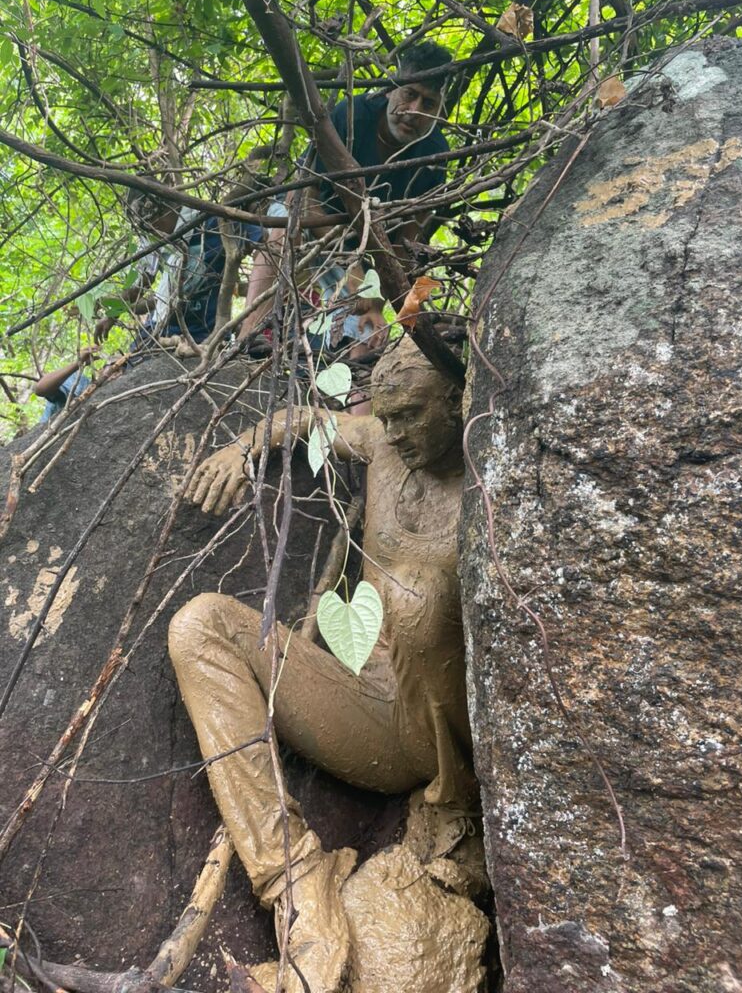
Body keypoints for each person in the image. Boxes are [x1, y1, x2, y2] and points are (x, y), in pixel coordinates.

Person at [168, 338, 478, 992]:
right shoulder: (383, 443)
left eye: (411, 415)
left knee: (420, 593)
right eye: (386, 417)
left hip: (445, 731)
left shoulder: (492, 470)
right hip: (367, 707)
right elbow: (304, 419)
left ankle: (452, 809)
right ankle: (295, 883)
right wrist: (246, 445)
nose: (395, 433)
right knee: (201, 625)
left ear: (457, 400)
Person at [240, 41, 453, 359]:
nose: (414, 111)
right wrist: (347, 263)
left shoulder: (435, 154)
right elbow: (302, 194)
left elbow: (405, 244)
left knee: (370, 335)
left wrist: (381, 297)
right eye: (410, 95)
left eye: (429, 103)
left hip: (365, 254)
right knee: (283, 230)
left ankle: (348, 392)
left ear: (440, 108)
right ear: (392, 87)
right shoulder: (350, 114)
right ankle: (247, 341)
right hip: (313, 227)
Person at [96, 190, 263, 348]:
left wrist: (250, 323)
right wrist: (112, 314)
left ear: (158, 210)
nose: (144, 230)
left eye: (144, 223)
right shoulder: (151, 238)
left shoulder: (215, 222)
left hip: (201, 335)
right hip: (155, 332)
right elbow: (139, 283)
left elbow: (266, 245)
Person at [33, 346, 102, 421]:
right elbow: (40, 389)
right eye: (110, 364)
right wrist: (78, 363)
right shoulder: (80, 381)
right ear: (101, 370)